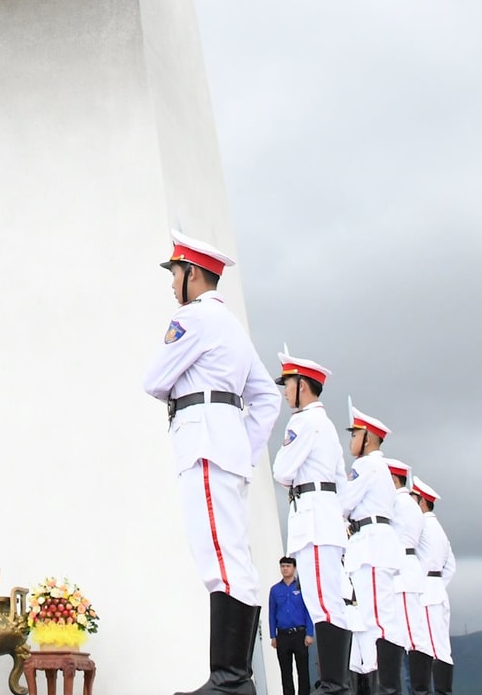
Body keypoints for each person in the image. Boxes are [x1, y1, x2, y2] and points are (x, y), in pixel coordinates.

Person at [140, 233, 280, 695]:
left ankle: (230, 678)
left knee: (219, 559)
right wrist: (244, 447)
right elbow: (266, 398)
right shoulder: (231, 325)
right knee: (232, 556)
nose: (172, 282)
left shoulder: (194, 318)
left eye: (175, 273)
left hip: (203, 443)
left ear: (193, 274)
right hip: (226, 446)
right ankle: (235, 677)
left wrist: (230, 445)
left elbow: (154, 380)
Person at [270, 352, 349, 695]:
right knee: (324, 600)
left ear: (302, 385)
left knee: (323, 602)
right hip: (323, 515)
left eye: (288, 384)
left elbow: (281, 471)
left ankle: (334, 684)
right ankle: (334, 682)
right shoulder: (325, 424)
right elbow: (342, 482)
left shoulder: (304, 422)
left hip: (314, 518)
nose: (286, 391)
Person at [341, 407, 405, 695]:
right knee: (371, 620)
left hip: (372, 546)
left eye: (355, 434)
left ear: (368, 438)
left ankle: (386, 689)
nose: (351, 440)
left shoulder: (367, 466)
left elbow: (344, 501)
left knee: (378, 621)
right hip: (370, 544)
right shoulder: (379, 469)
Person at [387, 460, 432, 695]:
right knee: (410, 635)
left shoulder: (398, 503)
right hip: (407, 566)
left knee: (412, 638)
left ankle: (420, 691)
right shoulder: (411, 505)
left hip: (402, 570)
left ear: (393, 479)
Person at [409, 479, 454, 695]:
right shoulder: (439, 529)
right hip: (436, 588)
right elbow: (451, 566)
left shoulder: (422, 525)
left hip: (426, 590)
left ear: (422, 502)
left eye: (413, 498)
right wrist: (438, 585)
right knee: (438, 646)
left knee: (430, 647)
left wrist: (428, 585)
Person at [267, 558, 313, 695]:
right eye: (282, 566)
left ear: (294, 568)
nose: (285, 569)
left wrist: (309, 633)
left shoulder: (302, 587)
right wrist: (273, 635)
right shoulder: (275, 590)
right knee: (286, 673)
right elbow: (272, 613)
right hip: (283, 635)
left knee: (303, 672)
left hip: (299, 634)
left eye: (288, 566)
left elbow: (308, 611)